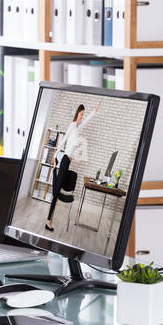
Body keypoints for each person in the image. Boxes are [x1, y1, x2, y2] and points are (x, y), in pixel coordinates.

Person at [45, 99, 101, 232]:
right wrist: (54, 155)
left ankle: (54, 173)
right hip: (64, 160)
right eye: (81, 114)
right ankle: (48, 222)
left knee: (57, 190)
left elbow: (87, 121)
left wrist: (95, 110)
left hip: (67, 161)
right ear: (77, 114)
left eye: (83, 114)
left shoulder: (78, 128)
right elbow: (63, 141)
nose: (82, 117)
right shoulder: (72, 126)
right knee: (56, 192)